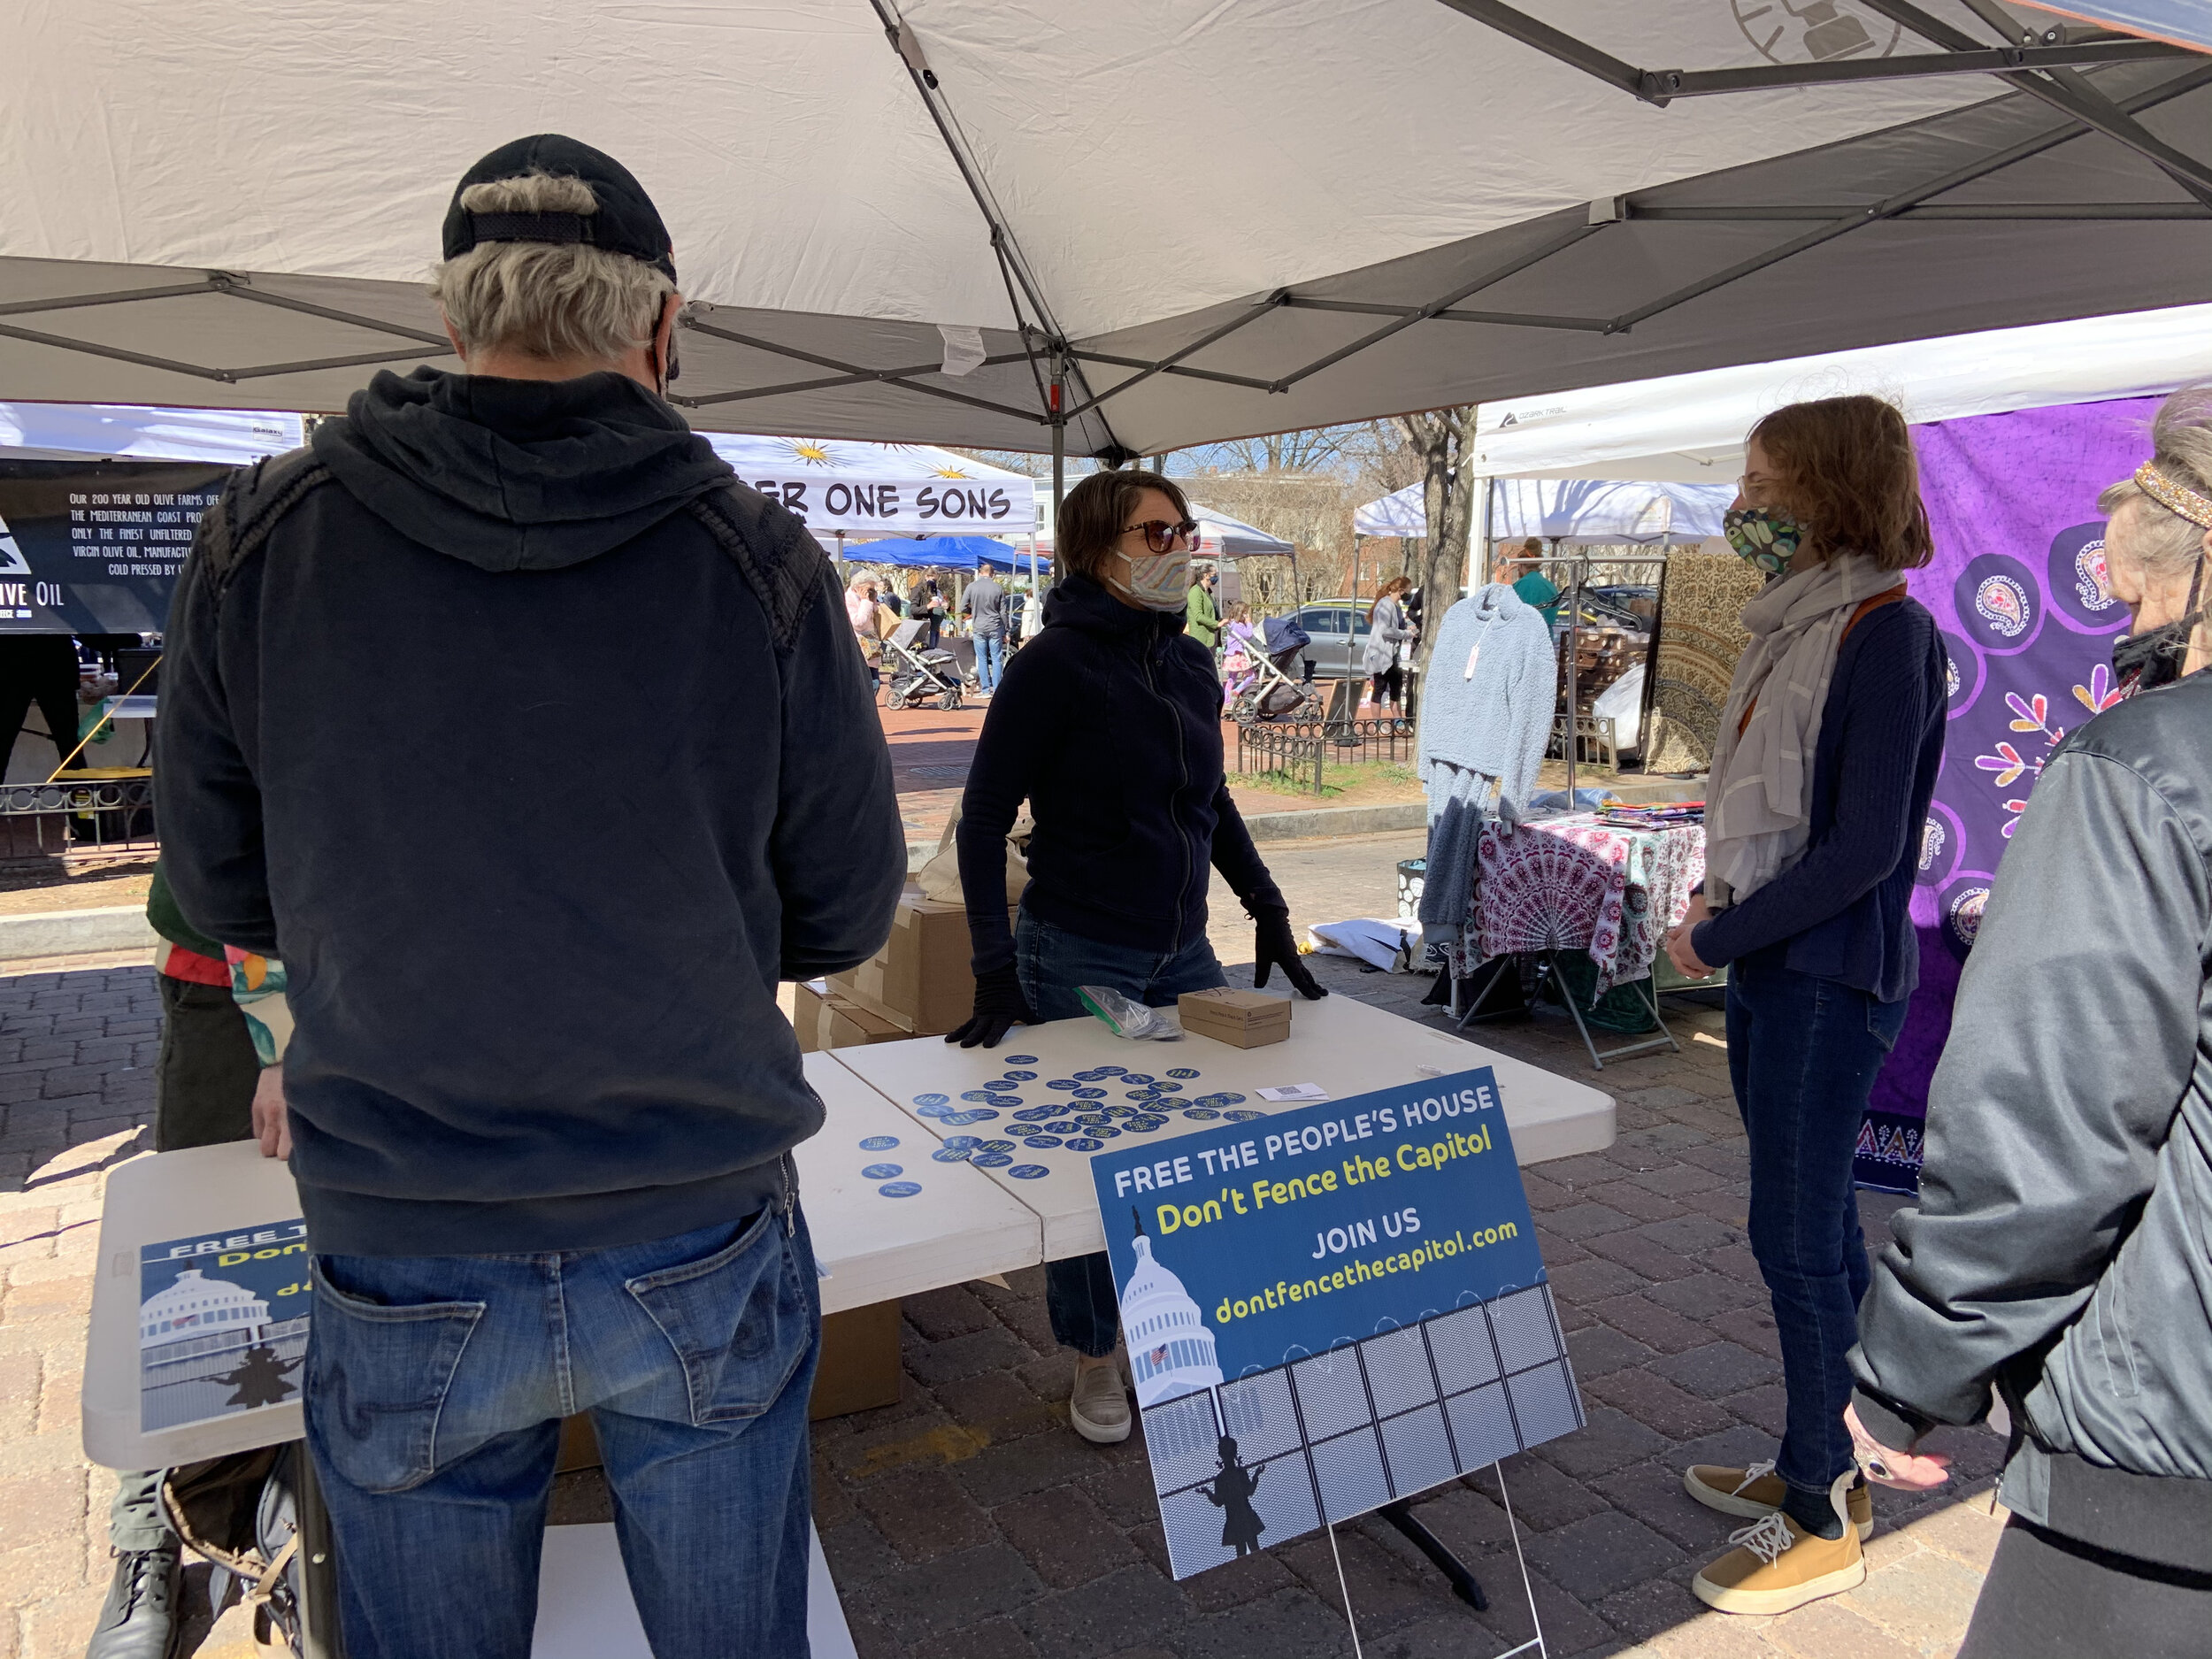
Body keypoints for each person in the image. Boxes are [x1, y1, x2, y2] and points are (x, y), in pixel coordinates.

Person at [155, 134, 904, 1659]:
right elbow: (843, 914)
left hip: (401, 1223)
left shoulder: (264, 545)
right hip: (696, 1214)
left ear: (451, 317)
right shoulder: (761, 566)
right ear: (662, 324)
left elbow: (216, 892)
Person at [1845, 387, 2212, 1658]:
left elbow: (2053, 1125)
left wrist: (1904, 1371)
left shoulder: (2144, 771)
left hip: (2167, 1471)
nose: (2129, 618)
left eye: (2139, 596)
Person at [945, 467, 1326, 1445]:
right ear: (1096, 549)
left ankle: (1179, 1329)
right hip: (1079, 954)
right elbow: (984, 816)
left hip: (1181, 952)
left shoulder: (1191, 662)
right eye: (1155, 535)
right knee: (1095, 1173)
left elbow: (1213, 802)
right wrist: (993, 962)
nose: (1179, 549)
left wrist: (1268, 909)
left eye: (1182, 532)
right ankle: (1094, 1355)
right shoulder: (1053, 665)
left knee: (1201, 1147)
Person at [1660, 396, 1946, 1615]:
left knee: (1792, 1234)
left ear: (1830, 490)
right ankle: (1824, 1451)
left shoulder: (1886, 633)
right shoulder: (1797, 626)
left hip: (1826, 978)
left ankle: (1821, 1497)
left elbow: (1864, 847)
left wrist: (1718, 935)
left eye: (1769, 483)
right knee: (1814, 1222)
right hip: (1787, 971)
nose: (1749, 506)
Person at [84, 860, 263, 1659]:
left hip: (393, 958)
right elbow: (208, 806)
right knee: (198, 1255)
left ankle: (296, 1500)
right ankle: (149, 1529)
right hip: (232, 965)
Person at [0, 634, 86, 779]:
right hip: (53, 664)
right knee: (70, 745)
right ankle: (78, 796)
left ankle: (78, 795)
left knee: (70, 745)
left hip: (12, 664)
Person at [1363, 576, 1416, 715]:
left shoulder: (1396, 606)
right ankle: (1377, 722)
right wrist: (1406, 634)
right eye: (1408, 591)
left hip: (1393, 654)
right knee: (1379, 688)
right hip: (1381, 653)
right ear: (1401, 590)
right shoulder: (1385, 605)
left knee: (1396, 688)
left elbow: (1400, 625)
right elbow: (1385, 630)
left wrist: (1409, 628)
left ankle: (1397, 719)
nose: (1409, 595)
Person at [963, 559, 1009, 695]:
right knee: (996, 658)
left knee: (981, 658)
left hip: (979, 626)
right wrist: (1006, 630)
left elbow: (962, 606)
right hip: (994, 626)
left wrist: (974, 612)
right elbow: (1003, 612)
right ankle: (997, 688)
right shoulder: (998, 588)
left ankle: (985, 689)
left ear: (980, 573)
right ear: (992, 575)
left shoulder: (971, 586)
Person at [1502, 539, 1561, 633]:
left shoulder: (1516, 587)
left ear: (1520, 565)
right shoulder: (1551, 588)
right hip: (1545, 638)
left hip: (1521, 638)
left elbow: (1506, 615)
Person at [1187, 564, 1222, 649]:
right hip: (1200, 638)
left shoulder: (1209, 593)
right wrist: (1217, 624)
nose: (1216, 577)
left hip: (1211, 638)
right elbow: (1198, 616)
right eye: (1214, 574)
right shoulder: (1195, 591)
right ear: (1206, 575)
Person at [908, 573, 946, 649]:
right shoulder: (917, 589)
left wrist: (943, 605)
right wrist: (928, 606)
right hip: (917, 628)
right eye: (934, 580)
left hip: (928, 628)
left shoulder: (932, 590)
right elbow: (913, 609)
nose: (935, 582)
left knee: (931, 651)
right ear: (926, 576)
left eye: (936, 581)